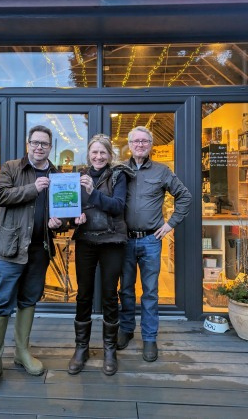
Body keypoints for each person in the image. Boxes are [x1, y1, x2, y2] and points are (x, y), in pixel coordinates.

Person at [0, 125, 63, 395]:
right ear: (28, 144)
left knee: (29, 300)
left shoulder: (57, 174)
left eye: (45, 144)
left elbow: (63, 211)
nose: (39, 147)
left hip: (40, 248)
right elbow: (0, 196)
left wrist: (59, 223)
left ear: (51, 148)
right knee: (2, 302)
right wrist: (32, 188)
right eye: (35, 143)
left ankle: (21, 353)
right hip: (10, 248)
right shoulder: (11, 167)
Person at [118, 126, 192, 362]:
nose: (140, 145)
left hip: (151, 240)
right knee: (126, 289)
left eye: (145, 141)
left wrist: (170, 224)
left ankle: (149, 338)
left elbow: (185, 196)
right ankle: (127, 330)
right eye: (136, 141)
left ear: (150, 145)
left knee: (150, 292)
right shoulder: (118, 171)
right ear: (129, 145)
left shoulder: (162, 171)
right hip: (125, 240)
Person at [68, 134, 135, 376]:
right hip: (86, 241)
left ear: (110, 155)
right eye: (94, 152)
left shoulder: (119, 175)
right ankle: (81, 348)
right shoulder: (77, 176)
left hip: (112, 242)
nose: (98, 157)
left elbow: (118, 206)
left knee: (109, 295)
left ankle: (109, 350)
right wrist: (73, 217)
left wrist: (92, 191)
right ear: (88, 154)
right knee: (83, 294)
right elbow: (69, 206)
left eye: (103, 153)